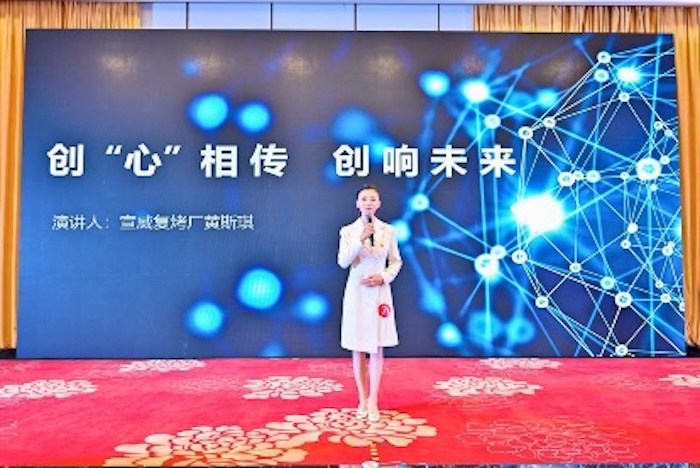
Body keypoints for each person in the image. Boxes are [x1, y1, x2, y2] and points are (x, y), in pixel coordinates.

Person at [337, 183, 402, 423]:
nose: (368, 203)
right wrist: (360, 239)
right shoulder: (348, 232)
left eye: (372, 199)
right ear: (357, 203)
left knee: (376, 346)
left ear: (379, 203)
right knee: (357, 347)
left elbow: (395, 261)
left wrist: (383, 277)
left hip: (379, 293)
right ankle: (362, 399)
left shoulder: (388, 230)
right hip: (357, 292)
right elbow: (343, 261)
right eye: (364, 199)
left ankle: (374, 400)